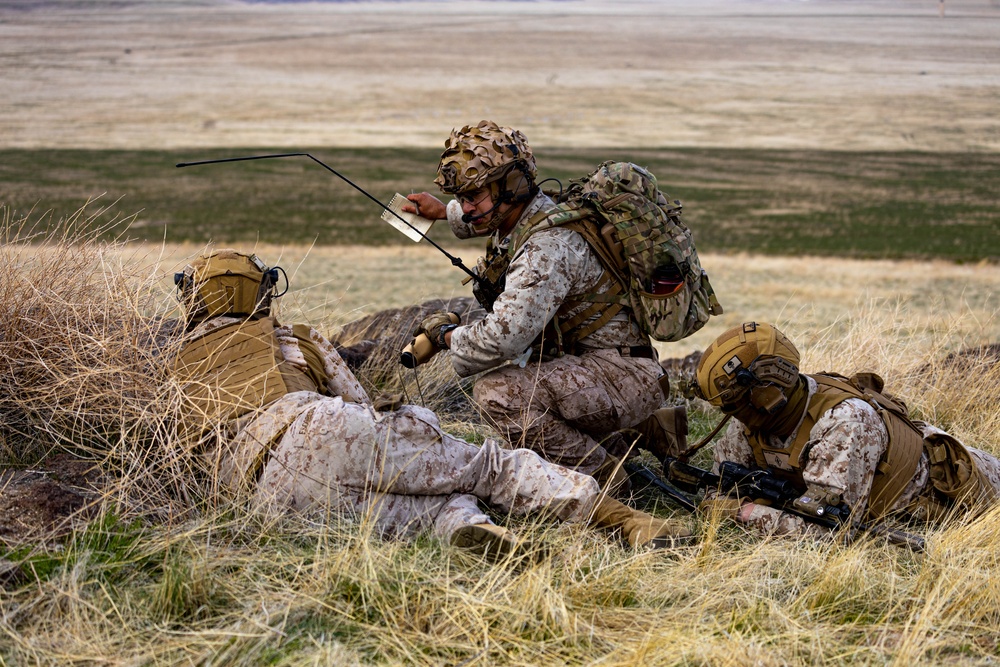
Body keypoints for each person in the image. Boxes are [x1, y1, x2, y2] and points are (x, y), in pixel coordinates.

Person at [170, 249, 693, 558]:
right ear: (258, 295)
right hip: (318, 425)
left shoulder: (179, 369)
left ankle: (465, 527)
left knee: (399, 511)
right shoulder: (288, 338)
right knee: (485, 465)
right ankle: (624, 521)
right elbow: (354, 400)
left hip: (259, 488)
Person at [403, 120, 683, 490]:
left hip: (620, 373)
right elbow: (484, 216)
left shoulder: (546, 249)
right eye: (462, 198)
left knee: (499, 395)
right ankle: (644, 432)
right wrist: (444, 212)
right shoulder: (537, 211)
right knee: (531, 373)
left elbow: (502, 340)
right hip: (602, 364)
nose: (467, 208)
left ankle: (609, 481)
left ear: (511, 186)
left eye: (473, 196)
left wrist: (447, 336)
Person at [693, 321, 1000, 536]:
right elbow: (718, 488)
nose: (731, 414)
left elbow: (830, 532)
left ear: (766, 393)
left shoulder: (844, 423)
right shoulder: (753, 421)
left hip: (963, 489)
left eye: (734, 404)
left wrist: (744, 513)